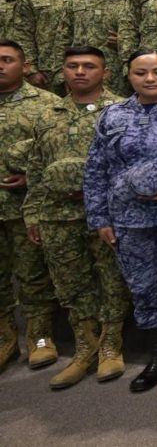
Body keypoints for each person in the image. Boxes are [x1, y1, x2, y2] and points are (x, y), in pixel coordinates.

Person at [84, 49, 157, 393]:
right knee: (144, 288)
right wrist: (100, 217)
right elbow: (97, 169)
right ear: (128, 75)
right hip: (128, 218)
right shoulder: (112, 116)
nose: (150, 79)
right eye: (141, 73)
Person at [23, 45, 129, 389]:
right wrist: (33, 213)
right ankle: (85, 347)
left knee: (112, 281)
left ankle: (111, 344)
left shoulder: (120, 111)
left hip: (108, 213)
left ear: (105, 72)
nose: (80, 72)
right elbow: (36, 167)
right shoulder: (47, 112)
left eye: (88, 66)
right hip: (57, 215)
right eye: (72, 66)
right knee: (71, 283)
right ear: (62, 70)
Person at [0, 40, 61, 374]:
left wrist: (31, 176)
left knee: (32, 274)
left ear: (24, 66)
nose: (0, 65)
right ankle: (4, 335)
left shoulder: (46, 106)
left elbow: (54, 153)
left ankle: (39, 335)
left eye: (7, 60)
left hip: (24, 205)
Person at [57, 0, 131, 97]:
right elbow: (62, 38)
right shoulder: (75, 0)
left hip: (119, 77)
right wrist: (61, 74)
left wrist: (125, 41)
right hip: (81, 74)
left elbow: (144, 35)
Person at [11, 0, 79, 95]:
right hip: (42, 75)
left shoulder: (84, 0)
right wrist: (31, 71)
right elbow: (22, 36)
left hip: (78, 73)